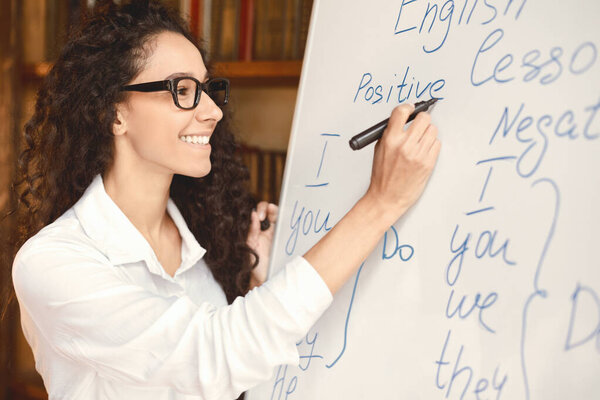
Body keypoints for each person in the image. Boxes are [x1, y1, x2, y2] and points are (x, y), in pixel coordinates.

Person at [4, 0, 441, 399]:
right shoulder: (52, 263)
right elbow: (214, 356)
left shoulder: (203, 243)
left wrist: (256, 288)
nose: (212, 110)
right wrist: (381, 203)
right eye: (183, 89)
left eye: (208, 88)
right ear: (114, 112)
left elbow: (237, 380)